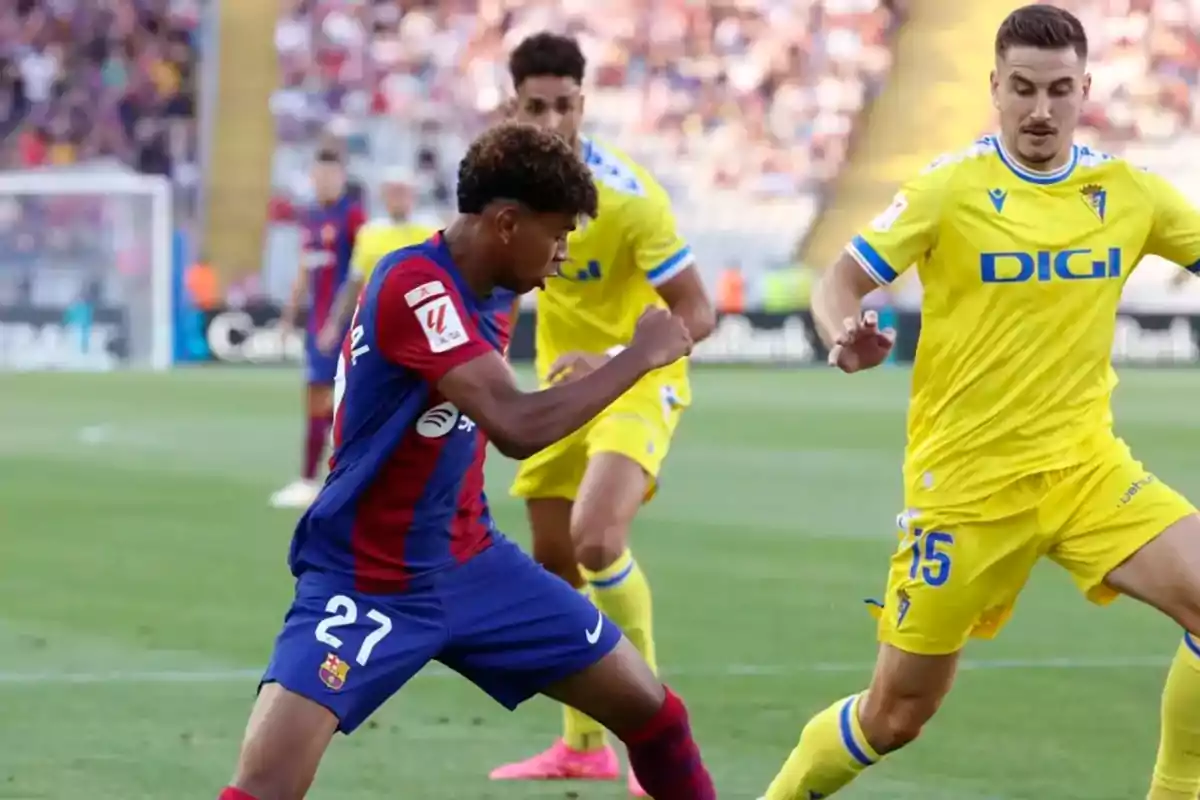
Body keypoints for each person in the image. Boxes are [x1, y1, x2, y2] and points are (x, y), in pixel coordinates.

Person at [758, 5, 1200, 799]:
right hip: (965, 489)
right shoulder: (948, 188)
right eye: (1022, 88)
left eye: (1059, 89)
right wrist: (841, 332)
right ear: (993, 87)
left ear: (1086, 89)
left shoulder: (1128, 193)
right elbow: (841, 280)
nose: (1040, 110)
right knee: (895, 716)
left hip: (1086, 472)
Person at [217, 122, 717, 800]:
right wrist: (638, 356)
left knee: (657, 718)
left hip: (470, 562)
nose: (565, 254)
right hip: (366, 577)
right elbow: (513, 423)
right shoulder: (415, 284)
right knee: (265, 787)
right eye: (558, 233)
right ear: (506, 223)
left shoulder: (500, 289)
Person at [489, 33, 716, 796]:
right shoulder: (503, 190)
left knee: (595, 539)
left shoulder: (626, 198)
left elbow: (698, 310)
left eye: (565, 105)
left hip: (640, 379)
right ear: (512, 106)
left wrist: (618, 356)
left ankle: (653, 741)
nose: (552, 120)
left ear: (584, 104)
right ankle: (582, 745)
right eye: (535, 106)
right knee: (554, 561)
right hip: (564, 389)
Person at [271, 149, 365, 510]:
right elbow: (304, 271)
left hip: (341, 324)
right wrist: (287, 317)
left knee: (341, 399)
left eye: (331, 175)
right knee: (315, 396)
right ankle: (311, 478)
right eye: (319, 175)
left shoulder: (352, 216)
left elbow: (362, 271)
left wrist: (342, 321)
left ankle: (331, 477)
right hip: (317, 324)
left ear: (341, 177)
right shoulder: (310, 217)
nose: (324, 181)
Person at [317, 166, 439, 355]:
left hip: (419, 327)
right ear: (383, 196)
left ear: (413, 195)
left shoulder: (431, 231)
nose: (398, 198)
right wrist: (334, 324)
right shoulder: (370, 233)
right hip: (377, 325)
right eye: (393, 192)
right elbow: (353, 284)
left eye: (403, 191)